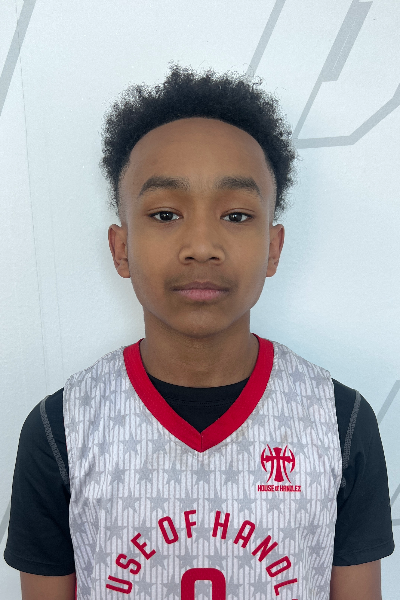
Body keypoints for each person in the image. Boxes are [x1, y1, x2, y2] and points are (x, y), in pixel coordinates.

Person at [4, 62, 394, 600]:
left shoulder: (339, 422)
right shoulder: (60, 430)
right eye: (166, 214)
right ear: (121, 248)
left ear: (273, 248)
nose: (202, 246)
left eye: (236, 216)